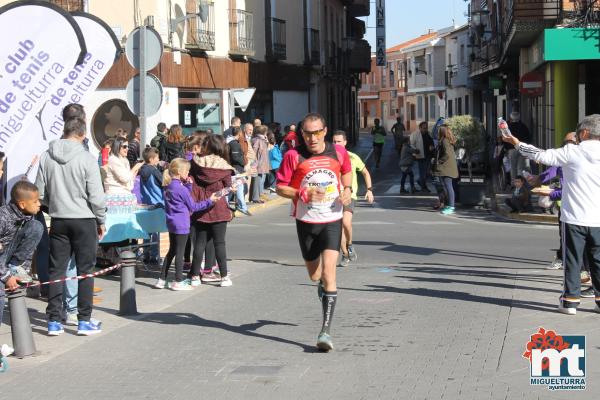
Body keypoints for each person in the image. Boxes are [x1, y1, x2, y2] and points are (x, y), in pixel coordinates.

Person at [502, 114, 600, 315]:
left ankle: (570, 301)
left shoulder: (572, 152)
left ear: (584, 133)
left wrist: (516, 142)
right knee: (598, 260)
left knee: (572, 259)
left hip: (574, 217)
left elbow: (540, 155)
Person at [276, 113, 352, 351]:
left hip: (332, 218)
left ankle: (325, 332)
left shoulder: (338, 152)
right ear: (302, 134)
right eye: (307, 133)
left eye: (316, 132)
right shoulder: (293, 155)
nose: (312, 138)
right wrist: (300, 194)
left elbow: (347, 171)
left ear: (325, 131)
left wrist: (347, 189)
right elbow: (280, 187)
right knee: (314, 275)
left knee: (330, 273)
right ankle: (320, 285)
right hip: (306, 220)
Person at [35, 117, 106, 335]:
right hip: (84, 219)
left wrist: (54, 205)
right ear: (83, 135)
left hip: (59, 219)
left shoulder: (47, 156)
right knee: (84, 271)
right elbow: (96, 196)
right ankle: (84, 320)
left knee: (56, 270)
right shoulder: (86, 158)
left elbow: (40, 192)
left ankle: (54, 321)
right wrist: (101, 219)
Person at [156, 158, 218, 290]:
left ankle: (161, 279)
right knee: (180, 253)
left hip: (171, 223)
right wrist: (210, 200)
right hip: (182, 223)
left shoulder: (168, 187)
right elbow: (193, 206)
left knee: (172, 251)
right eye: (187, 171)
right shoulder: (181, 189)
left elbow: (180, 199)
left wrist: (188, 186)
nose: (188, 174)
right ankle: (178, 281)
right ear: (179, 171)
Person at [189, 135, 236, 287]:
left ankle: (195, 276)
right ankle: (224, 277)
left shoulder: (195, 162)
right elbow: (228, 188)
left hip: (201, 207)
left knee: (199, 243)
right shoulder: (224, 166)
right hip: (219, 208)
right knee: (219, 243)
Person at [0, 182, 44, 328]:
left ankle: (15, 267)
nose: (39, 204)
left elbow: (27, 249)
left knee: (37, 227)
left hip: (7, 258)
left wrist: (20, 270)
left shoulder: (28, 218)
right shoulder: (3, 217)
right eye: (35, 201)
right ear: (22, 204)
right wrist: (5, 277)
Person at [332, 130, 374, 267]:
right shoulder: (329, 158)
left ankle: (349, 245)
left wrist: (369, 190)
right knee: (337, 230)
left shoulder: (352, 157)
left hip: (350, 195)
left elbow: (366, 173)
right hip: (333, 197)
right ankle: (344, 254)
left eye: (339, 141)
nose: (336, 144)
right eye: (334, 141)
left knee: (346, 223)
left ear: (345, 142)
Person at [139, 147, 164, 264]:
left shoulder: (142, 170)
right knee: (155, 231)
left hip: (146, 203)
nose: (159, 160)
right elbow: (164, 183)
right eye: (157, 158)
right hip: (157, 203)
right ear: (151, 159)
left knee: (146, 230)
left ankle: (145, 255)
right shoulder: (154, 171)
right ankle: (154, 256)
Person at [433, 125, 459, 215]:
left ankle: (451, 207)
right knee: (447, 187)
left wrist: (439, 161)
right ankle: (449, 205)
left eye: (439, 130)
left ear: (442, 132)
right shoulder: (447, 140)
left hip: (447, 168)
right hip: (448, 167)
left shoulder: (444, 141)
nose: (437, 132)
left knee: (448, 187)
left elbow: (447, 154)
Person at [228, 127, 251, 216]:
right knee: (238, 189)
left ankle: (241, 206)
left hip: (236, 169)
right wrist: (244, 163)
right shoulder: (234, 144)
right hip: (237, 169)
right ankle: (242, 207)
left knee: (237, 188)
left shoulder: (232, 143)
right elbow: (235, 157)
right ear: (239, 133)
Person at [506, 111, 531, 182]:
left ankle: (514, 184)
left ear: (511, 118)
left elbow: (505, 139)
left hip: (512, 149)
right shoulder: (523, 126)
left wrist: (506, 148)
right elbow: (528, 138)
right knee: (521, 168)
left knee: (513, 167)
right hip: (522, 149)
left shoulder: (508, 127)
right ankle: (520, 184)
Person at [250, 125, 270, 203]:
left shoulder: (261, 139)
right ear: (264, 132)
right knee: (257, 181)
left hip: (261, 163)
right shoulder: (258, 140)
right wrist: (254, 164)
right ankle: (255, 198)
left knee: (259, 180)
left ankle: (257, 197)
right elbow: (254, 152)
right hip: (258, 164)